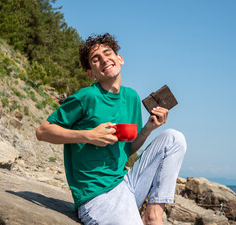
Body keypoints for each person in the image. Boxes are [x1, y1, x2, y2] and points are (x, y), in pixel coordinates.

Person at [36, 33, 187, 225]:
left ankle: (153, 215)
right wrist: (88, 135)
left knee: (174, 138)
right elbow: (42, 131)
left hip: (127, 184)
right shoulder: (86, 97)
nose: (104, 59)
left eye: (108, 53)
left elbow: (128, 149)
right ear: (91, 73)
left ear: (120, 59)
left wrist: (148, 129)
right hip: (98, 197)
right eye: (95, 59)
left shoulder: (131, 97)